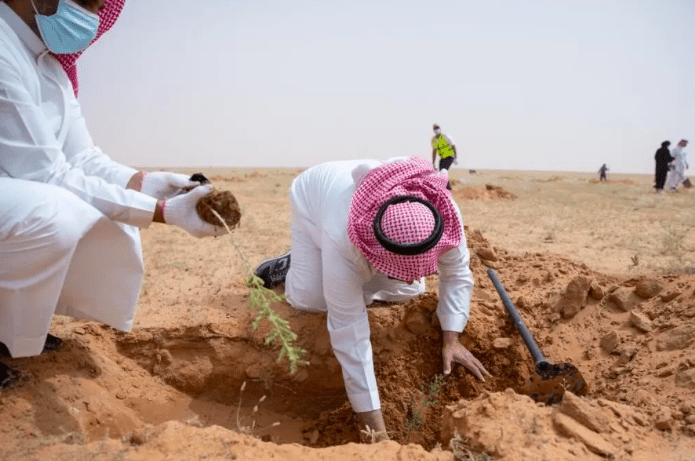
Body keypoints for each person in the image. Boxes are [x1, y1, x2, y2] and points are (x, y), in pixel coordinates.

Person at [0, 0, 225, 389]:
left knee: (103, 216)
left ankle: (11, 332)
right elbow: (47, 175)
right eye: (88, 0)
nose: (97, 10)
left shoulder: (48, 66)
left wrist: (153, 183)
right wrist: (163, 212)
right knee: (53, 212)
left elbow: (82, 157)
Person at [254, 157, 490, 441]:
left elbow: (457, 273)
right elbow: (349, 335)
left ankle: (340, 279)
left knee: (409, 291)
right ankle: (294, 265)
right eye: (402, 270)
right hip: (314, 200)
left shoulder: (443, 211)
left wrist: (452, 339)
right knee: (314, 299)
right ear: (373, 249)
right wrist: (377, 435)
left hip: (366, 214)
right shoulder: (343, 236)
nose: (410, 276)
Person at [431, 124, 457, 190]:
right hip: (442, 158)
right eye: (435, 129)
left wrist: (455, 156)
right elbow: (434, 152)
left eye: (437, 128)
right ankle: (446, 186)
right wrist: (433, 163)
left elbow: (453, 145)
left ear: (440, 129)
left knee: (443, 170)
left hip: (449, 156)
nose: (436, 130)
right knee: (441, 173)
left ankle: (448, 187)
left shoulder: (445, 137)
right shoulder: (433, 140)